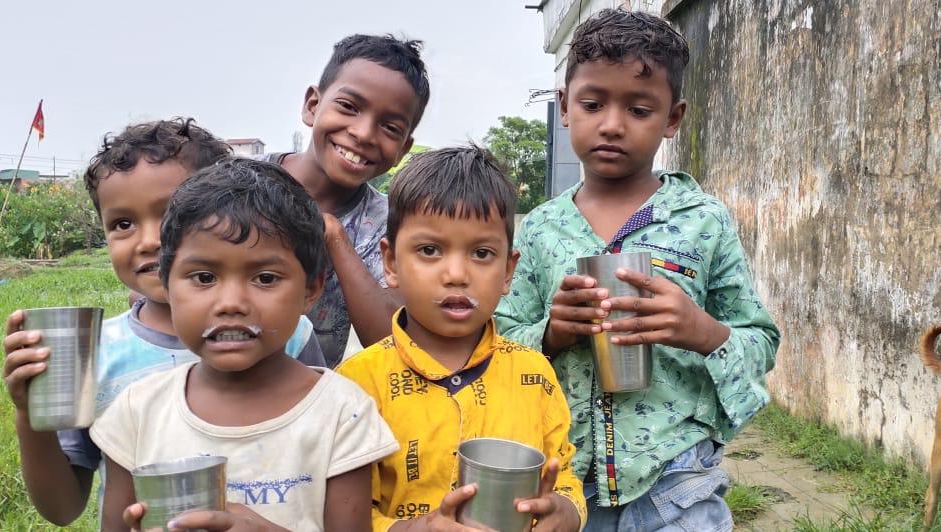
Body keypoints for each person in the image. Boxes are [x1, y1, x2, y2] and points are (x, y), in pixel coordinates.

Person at [495, 10, 781, 531]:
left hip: (678, 480)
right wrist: (552, 332)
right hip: (565, 485)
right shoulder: (538, 230)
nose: (611, 123)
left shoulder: (703, 221)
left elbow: (761, 340)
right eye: (592, 103)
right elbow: (501, 339)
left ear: (673, 117)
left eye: (639, 108)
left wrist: (703, 331)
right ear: (565, 107)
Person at [0, 119, 325, 526]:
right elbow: (63, 509)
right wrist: (30, 417)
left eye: (169, 213)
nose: (149, 240)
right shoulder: (97, 355)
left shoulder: (290, 334)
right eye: (122, 224)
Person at [91, 158, 397, 531]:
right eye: (204, 277)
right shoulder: (138, 412)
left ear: (311, 290)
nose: (231, 302)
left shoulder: (342, 414)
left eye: (265, 278)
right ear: (168, 285)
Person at [338, 146, 585, 532]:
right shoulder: (357, 384)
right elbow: (343, 516)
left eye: (482, 253)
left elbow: (564, 473)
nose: (456, 273)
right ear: (391, 263)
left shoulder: (534, 373)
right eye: (430, 250)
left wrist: (566, 512)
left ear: (508, 271)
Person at [266, 34, 431, 365]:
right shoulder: (235, 182)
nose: (364, 133)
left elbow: (391, 339)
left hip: (311, 405)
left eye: (390, 127)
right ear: (313, 105)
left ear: (403, 149)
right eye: (349, 107)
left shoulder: (389, 225)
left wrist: (335, 237)